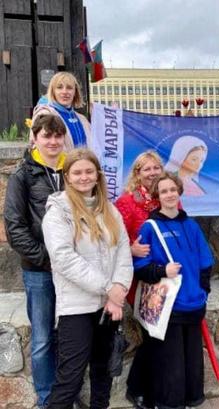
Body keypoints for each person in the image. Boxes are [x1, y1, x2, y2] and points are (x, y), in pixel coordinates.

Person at [42, 148, 133, 409]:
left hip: (108, 307)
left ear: (97, 175)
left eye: (89, 171)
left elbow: (123, 253)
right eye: (77, 172)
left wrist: (117, 291)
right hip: (76, 308)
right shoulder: (58, 213)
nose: (84, 177)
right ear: (67, 177)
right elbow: (63, 259)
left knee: (103, 374)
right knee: (70, 379)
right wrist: (108, 288)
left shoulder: (110, 211)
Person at [132, 172, 214, 409]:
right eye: (164, 191)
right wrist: (162, 270)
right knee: (171, 363)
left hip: (194, 303)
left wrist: (203, 292)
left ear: (180, 192)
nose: (169, 194)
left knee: (191, 360)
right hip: (168, 307)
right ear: (157, 196)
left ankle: (190, 399)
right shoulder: (150, 228)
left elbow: (205, 262)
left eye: (173, 190)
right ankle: (169, 403)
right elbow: (140, 267)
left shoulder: (192, 225)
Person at [4, 114, 67, 408]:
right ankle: (46, 399)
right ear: (36, 139)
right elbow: (14, 228)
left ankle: (65, 394)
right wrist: (47, 260)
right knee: (42, 339)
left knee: (69, 336)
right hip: (40, 271)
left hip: (72, 270)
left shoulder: (73, 169)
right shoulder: (23, 175)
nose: (53, 141)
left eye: (57, 136)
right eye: (47, 136)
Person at [115, 151, 163, 408]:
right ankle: (137, 389)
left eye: (156, 168)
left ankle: (156, 387)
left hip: (164, 277)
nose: (153, 173)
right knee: (150, 332)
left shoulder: (167, 196)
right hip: (139, 279)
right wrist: (130, 249)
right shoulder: (126, 202)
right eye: (147, 169)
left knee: (162, 334)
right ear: (137, 173)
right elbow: (113, 239)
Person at [31, 71, 91, 149]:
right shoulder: (45, 115)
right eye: (59, 87)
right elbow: (38, 146)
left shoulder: (82, 119)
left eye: (69, 88)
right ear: (53, 91)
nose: (64, 92)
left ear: (75, 92)